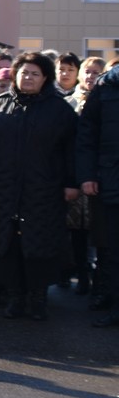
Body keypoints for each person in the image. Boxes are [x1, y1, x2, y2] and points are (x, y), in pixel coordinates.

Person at [0, 52, 78, 320]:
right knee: (6, 243)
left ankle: (38, 297)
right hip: (4, 188)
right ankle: (15, 296)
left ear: (45, 78)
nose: (28, 78)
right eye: (23, 73)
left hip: (44, 189)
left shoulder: (60, 110)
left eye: (34, 74)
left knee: (40, 243)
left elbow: (73, 150)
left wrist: (72, 182)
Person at [78, 54, 119, 328]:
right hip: (110, 181)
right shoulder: (107, 86)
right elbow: (86, 135)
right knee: (113, 251)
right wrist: (87, 175)